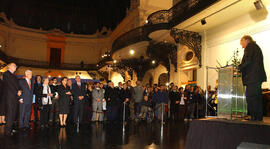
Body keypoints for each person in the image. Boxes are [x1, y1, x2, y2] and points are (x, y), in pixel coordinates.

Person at [238, 35, 267, 121]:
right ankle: (257, 118)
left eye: (242, 42)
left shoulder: (250, 46)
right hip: (256, 77)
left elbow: (248, 60)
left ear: (247, 40)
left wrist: (239, 67)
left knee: (251, 97)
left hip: (253, 77)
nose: (241, 45)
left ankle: (254, 117)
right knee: (256, 98)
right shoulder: (256, 47)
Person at [3, 63, 22, 136]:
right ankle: (7, 131)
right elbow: (10, 86)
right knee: (9, 114)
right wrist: (17, 92)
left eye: (16, 66)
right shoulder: (6, 74)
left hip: (14, 97)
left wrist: (20, 90)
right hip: (9, 97)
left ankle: (10, 129)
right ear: (9, 66)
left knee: (13, 114)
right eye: (14, 66)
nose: (15, 67)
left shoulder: (14, 76)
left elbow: (17, 85)